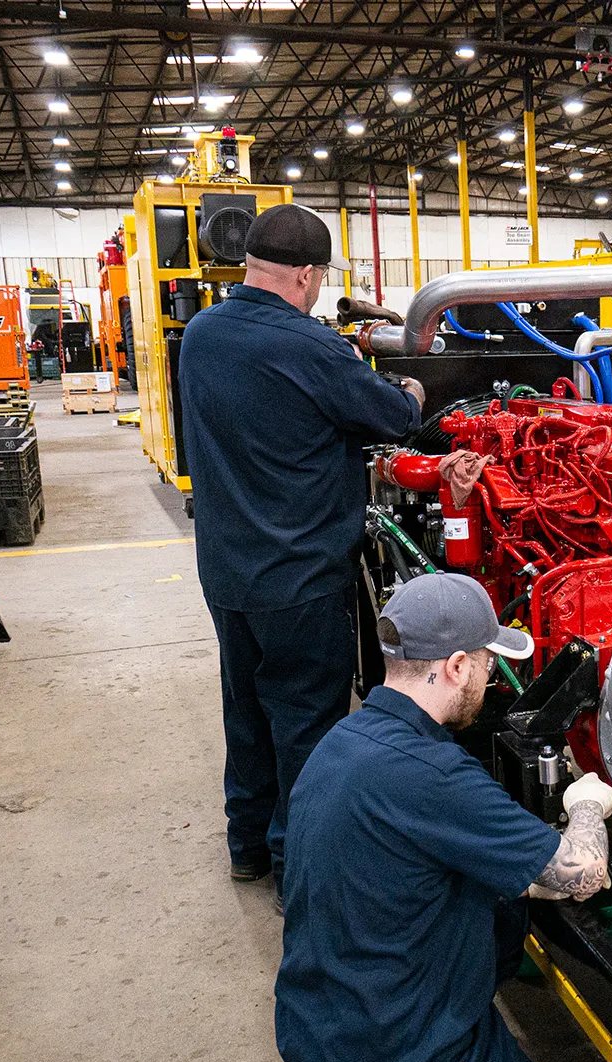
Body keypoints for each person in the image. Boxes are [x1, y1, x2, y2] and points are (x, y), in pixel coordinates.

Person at [276, 573, 612, 1062]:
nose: (490, 678)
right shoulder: (436, 777)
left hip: (316, 1041)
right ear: (456, 666)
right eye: (485, 662)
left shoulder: (340, 743)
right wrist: (585, 804)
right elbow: (585, 872)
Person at [179, 203, 426, 908]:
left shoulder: (201, 333)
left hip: (227, 572)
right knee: (306, 724)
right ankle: (300, 872)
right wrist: (403, 384)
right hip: (299, 577)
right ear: (308, 275)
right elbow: (394, 416)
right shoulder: (310, 346)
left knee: (246, 710)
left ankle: (248, 847)